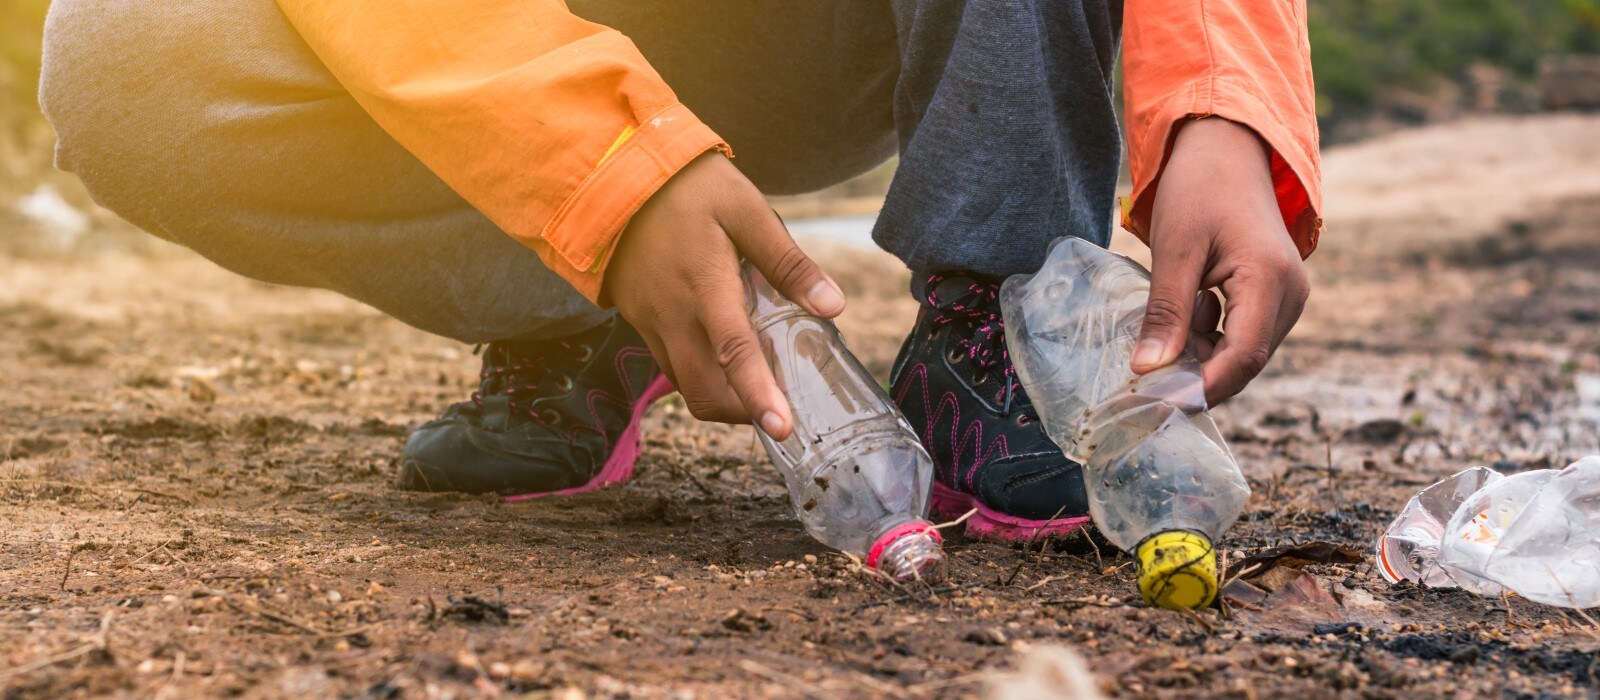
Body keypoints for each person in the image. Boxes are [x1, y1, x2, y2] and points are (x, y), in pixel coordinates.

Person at [38, 0, 1318, 541]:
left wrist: (1219, 104)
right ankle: (597, 288)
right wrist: (596, 170)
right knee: (132, 51)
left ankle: (995, 305)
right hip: (523, 35)